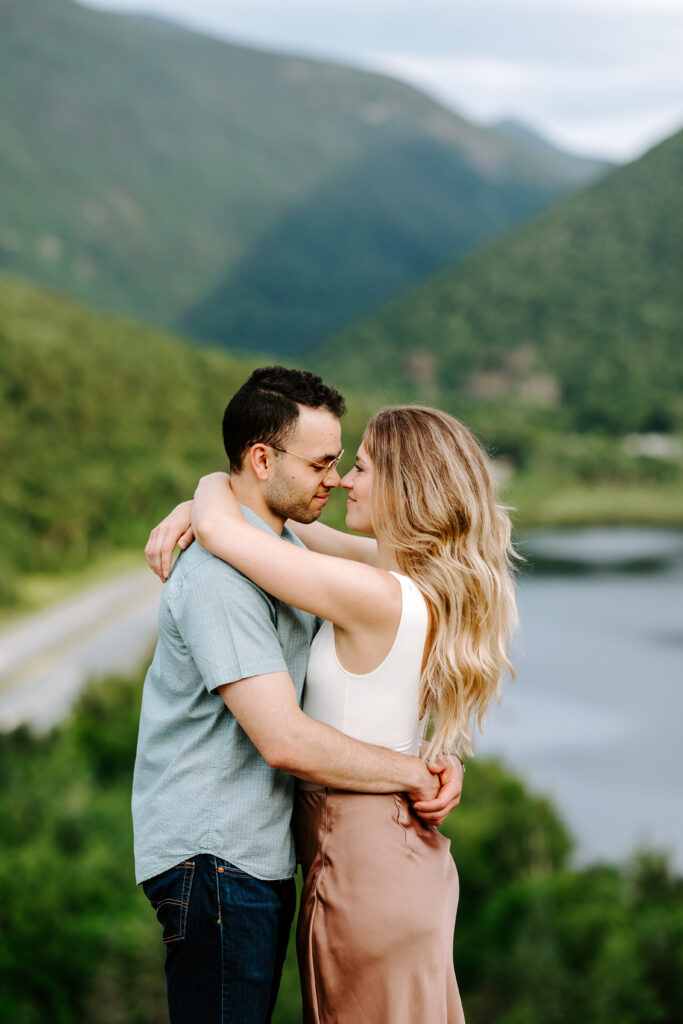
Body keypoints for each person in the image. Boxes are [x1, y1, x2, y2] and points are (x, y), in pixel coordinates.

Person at [162, 403, 517, 1023]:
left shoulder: (376, 593)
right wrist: (212, 500)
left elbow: (230, 534)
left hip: (361, 859)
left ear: (405, 486)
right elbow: (270, 528)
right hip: (397, 856)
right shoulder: (406, 580)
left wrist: (211, 486)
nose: (346, 481)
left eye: (361, 467)